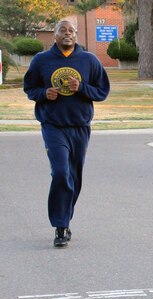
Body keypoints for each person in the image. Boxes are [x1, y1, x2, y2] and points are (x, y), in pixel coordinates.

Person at [23, 19, 110, 247]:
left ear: (76, 35)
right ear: (55, 35)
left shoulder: (89, 60)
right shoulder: (42, 60)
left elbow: (102, 91)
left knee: (74, 176)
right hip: (53, 126)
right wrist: (44, 94)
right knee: (61, 172)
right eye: (63, 30)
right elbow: (29, 88)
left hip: (80, 126)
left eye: (71, 30)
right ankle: (60, 227)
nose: (67, 34)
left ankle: (66, 218)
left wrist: (81, 88)